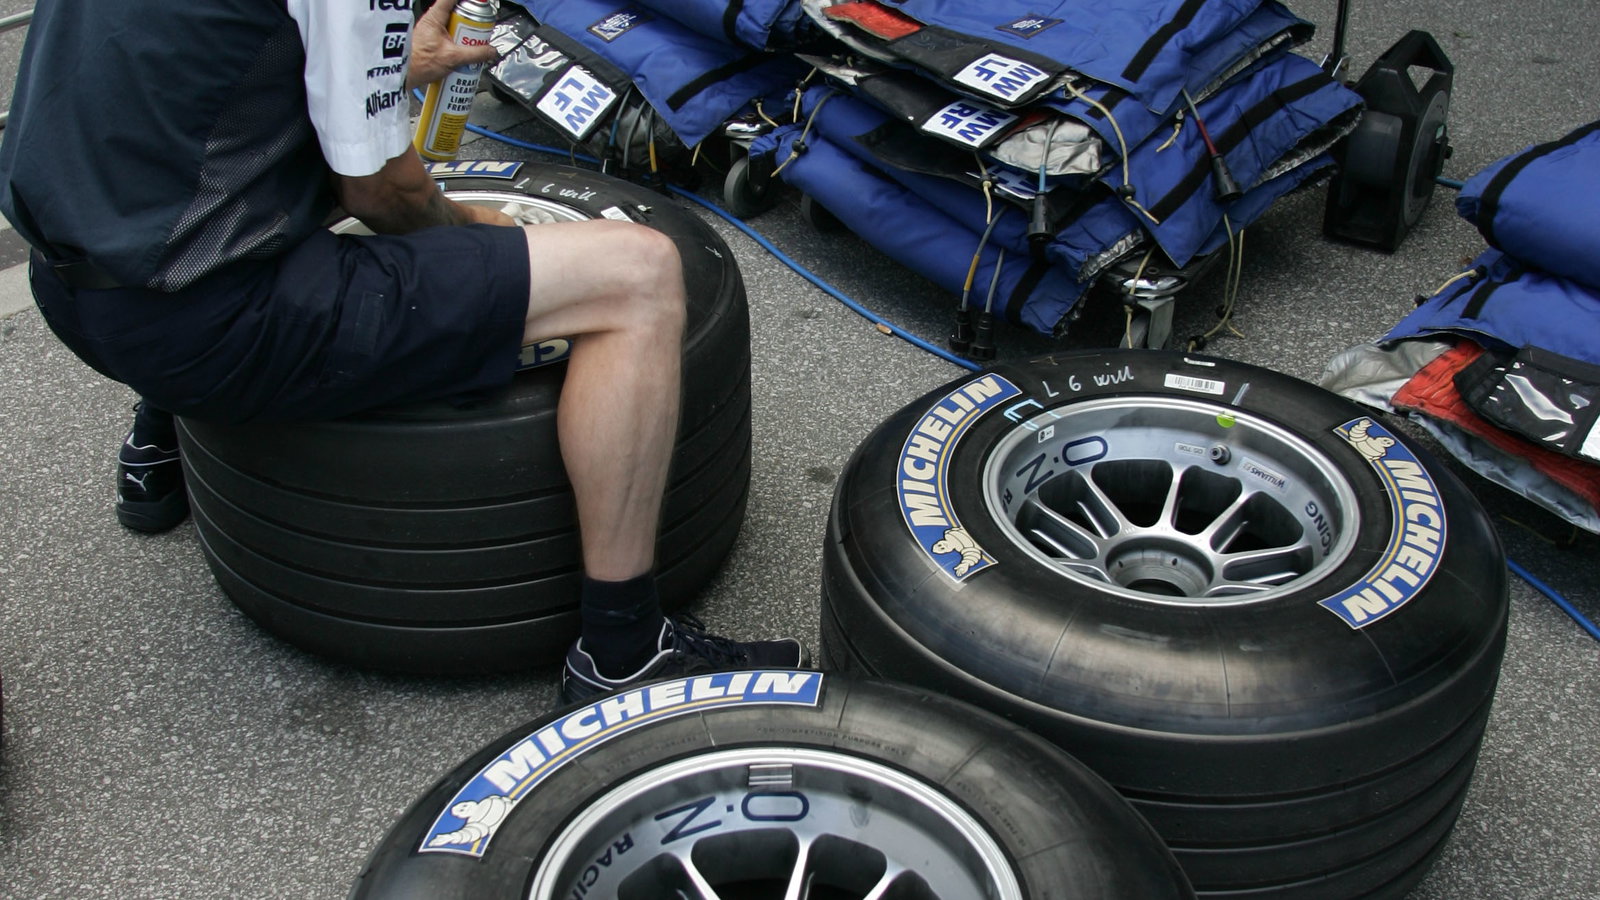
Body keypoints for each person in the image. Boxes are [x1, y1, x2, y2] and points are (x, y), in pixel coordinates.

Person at [0, 0, 804, 703]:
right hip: (210, 323)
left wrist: (390, 60)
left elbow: (187, 72)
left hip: (76, 288)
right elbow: (384, 193)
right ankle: (625, 649)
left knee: (243, 147)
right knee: (640, 274)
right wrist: (482, 230)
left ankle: (157, 447)